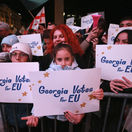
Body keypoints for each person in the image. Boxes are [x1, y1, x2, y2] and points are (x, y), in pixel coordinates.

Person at [21, 43, 104, 132]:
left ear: (72, 58)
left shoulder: (81, 74)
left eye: (67, 59)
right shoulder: (47, 74)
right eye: (59, 60)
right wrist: (35, 114)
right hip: (52, 118)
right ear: (55, 60)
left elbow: (88, 92)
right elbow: (41, 96)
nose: (63, 63)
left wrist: (97, 94)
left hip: (72, 118)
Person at [4, 42, 40, 132]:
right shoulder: (4, 74)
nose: (17, 58)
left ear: (28, 58)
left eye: (22, 54)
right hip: (9, 121)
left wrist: (36, 114)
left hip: (31, 122)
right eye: (14, 54)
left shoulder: (37, 74)